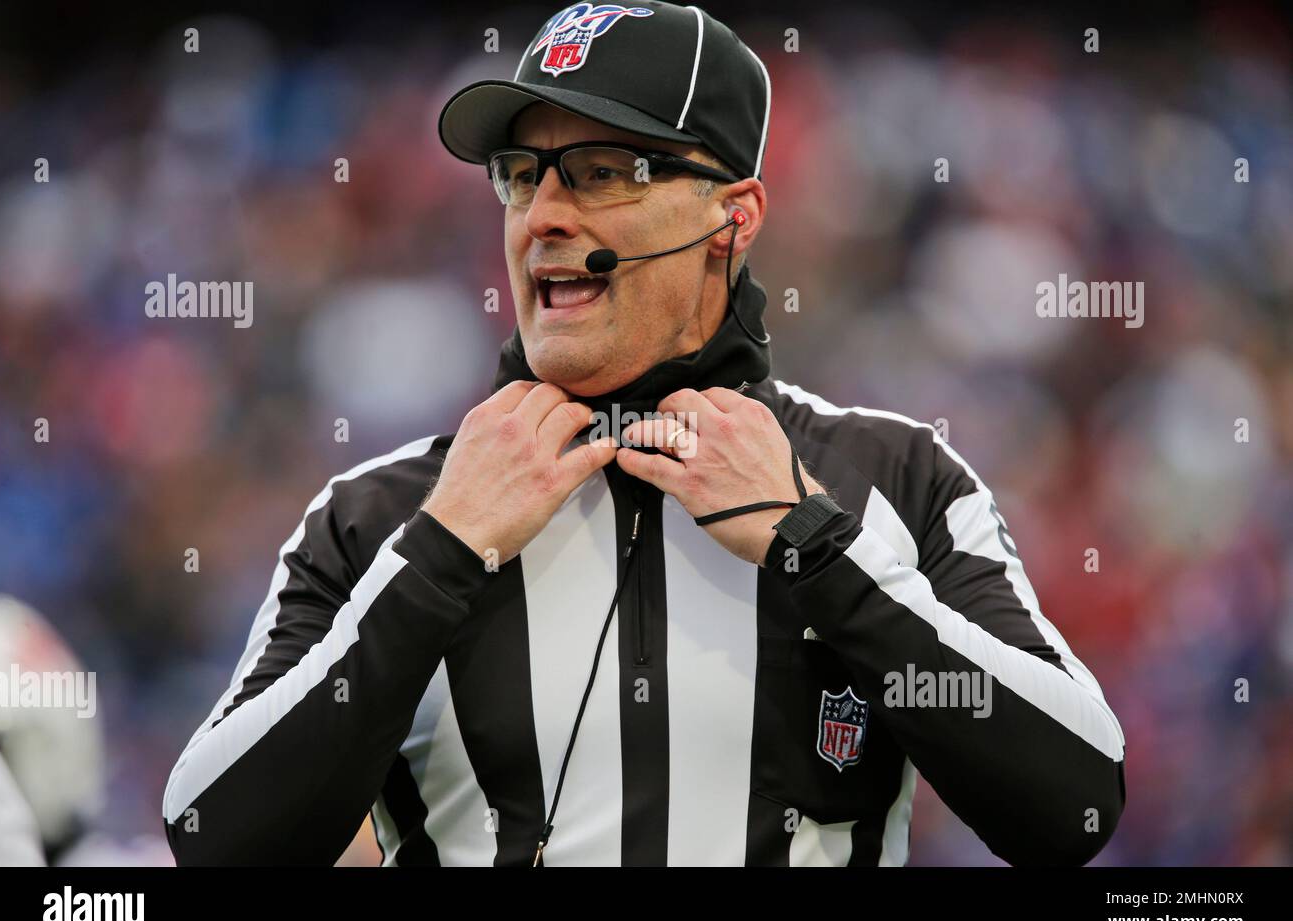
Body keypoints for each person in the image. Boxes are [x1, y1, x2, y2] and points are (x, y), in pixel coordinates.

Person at [164, 0, 1125, 866]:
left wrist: (819, 553)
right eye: (520, 175)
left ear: (732, 217)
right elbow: (211, 835)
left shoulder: (895, 476)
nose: (541, 216)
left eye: (596, 172)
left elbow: (1074, 804)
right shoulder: (382, 516)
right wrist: (439, 557)